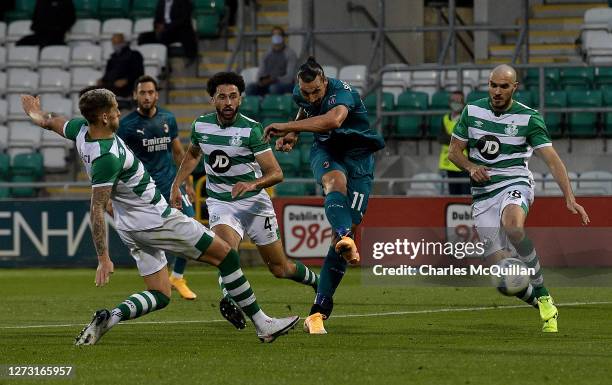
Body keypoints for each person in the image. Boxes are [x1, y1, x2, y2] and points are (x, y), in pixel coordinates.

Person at [21, 90, 299, 345]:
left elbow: (51, 121)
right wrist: (103, 258)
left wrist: (34, 112)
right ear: (105, 116)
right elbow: (96, 208)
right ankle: (263, 324)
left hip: (131, 227)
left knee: (161, 294)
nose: (119, 113)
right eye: (116, 110)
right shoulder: (106, 156)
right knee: (227, 256)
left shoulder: (82, 131)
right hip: (157, 219)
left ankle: (111, 317)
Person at [170, 71, 319, 330]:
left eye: (233, 97)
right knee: (226, 253)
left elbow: (276, 173)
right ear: (212, 100)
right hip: (221, 202)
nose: (228, 102)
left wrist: (252, 184)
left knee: (280, 269)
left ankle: (319, 283)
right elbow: (193, 155)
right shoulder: (201, 125)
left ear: (241, 99)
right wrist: (177, 183)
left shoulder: (251, 129)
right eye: (222, 97)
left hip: (254, 202)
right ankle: (232, 299)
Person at [447, 64, 590, 333]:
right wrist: (470, 167)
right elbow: (454, 152)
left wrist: (569, 197)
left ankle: (544, 292)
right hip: (482, 193)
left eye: (504, 86)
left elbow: (552, 160)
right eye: (493, 85)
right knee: (507, 279)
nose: (497, 91)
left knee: (513, 226)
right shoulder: (472, 110)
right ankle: (543, 306)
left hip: (515, 181)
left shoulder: (529, 118)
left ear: (515, 88)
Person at [263, 57, 385, 334]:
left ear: (324, 82)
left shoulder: (343, 92)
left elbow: (333, 120)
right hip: (327, 151)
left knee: (342, 239)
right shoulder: (302, 94)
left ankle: (319, 309)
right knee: (333, 183)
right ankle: (344, 235)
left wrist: (288, 128)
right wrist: (295, 132)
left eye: (316, 91)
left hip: (358, 155)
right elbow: (307, 110)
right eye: (306, 92)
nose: (311, 96)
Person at [117, 75, 197, 300]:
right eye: (142, 92)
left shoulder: (167, 119)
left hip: (172, 185)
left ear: (157, 95)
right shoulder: (126, 126)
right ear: (135, 95)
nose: (147, 96)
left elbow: (179, 152)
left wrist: (187, 183)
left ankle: (178, 276)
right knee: (155, 235)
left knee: (191, 227)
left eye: (150, 92)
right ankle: (162, 277)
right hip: (146, 191)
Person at [246, 26, 297, 96]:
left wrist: (273, 79)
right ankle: (256, 106)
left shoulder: (290, 54)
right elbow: (260, 73)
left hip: (286, 84)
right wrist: (261, 80)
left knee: (273, 88)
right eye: (274, 35)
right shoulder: (266, 55)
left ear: (283, 38)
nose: (276, 37)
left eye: (279, 35)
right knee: (250, 88)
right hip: (268, 84)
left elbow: (289, 77)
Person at [438, 90, 470, 195]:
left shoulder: (467, 118)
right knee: (453, 195)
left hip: (463, 163)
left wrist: (452, 138)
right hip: (448, 162)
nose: (455, 103)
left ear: (463, 102)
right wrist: (458, 140)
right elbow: (441, 138)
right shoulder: (445, 118)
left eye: (458, 100)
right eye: (453, 100)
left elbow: (468, 139)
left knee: (465, 194)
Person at [98, 34, 145, 101]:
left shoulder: (134, 55)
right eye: (113, 43)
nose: (115, 46)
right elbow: (108, 74)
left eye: (117, 43)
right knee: (87, 92)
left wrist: (126, 80)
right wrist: (102, 80)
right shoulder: (112, 58)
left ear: (123, 42)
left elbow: (138, 72)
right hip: (110, 85)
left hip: (127, 87)